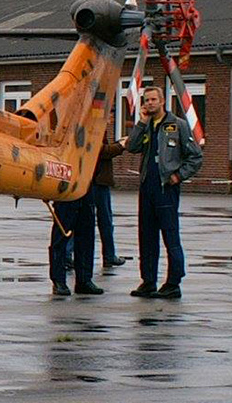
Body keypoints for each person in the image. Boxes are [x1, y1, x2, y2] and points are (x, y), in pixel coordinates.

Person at [121, 85, 203, 299]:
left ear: (162, 101)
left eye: (153, 100)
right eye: (146, 100)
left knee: (170, 236)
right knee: (146, 236)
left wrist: (178, 176)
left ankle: (174, 282)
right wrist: (141, 123)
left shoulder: (177, 125)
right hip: (147, 186)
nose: (149, 103)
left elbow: (195, 156)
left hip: (166, 188)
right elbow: (132, 146)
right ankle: (148, 280)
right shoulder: (146, 126)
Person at [49, 194, 103, 296]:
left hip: (85, 187)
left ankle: (84, 279)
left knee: (86, 234)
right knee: (61, 235)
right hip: (66, 188)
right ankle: (58, 280)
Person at [92, 129, 128, 271]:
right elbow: (101, 151)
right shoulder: (93, 126)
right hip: (97, 180)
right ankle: (109, 255)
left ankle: (68, 255)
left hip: (94, 180)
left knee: (82, 219)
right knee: (105, 221)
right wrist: (121, 145)